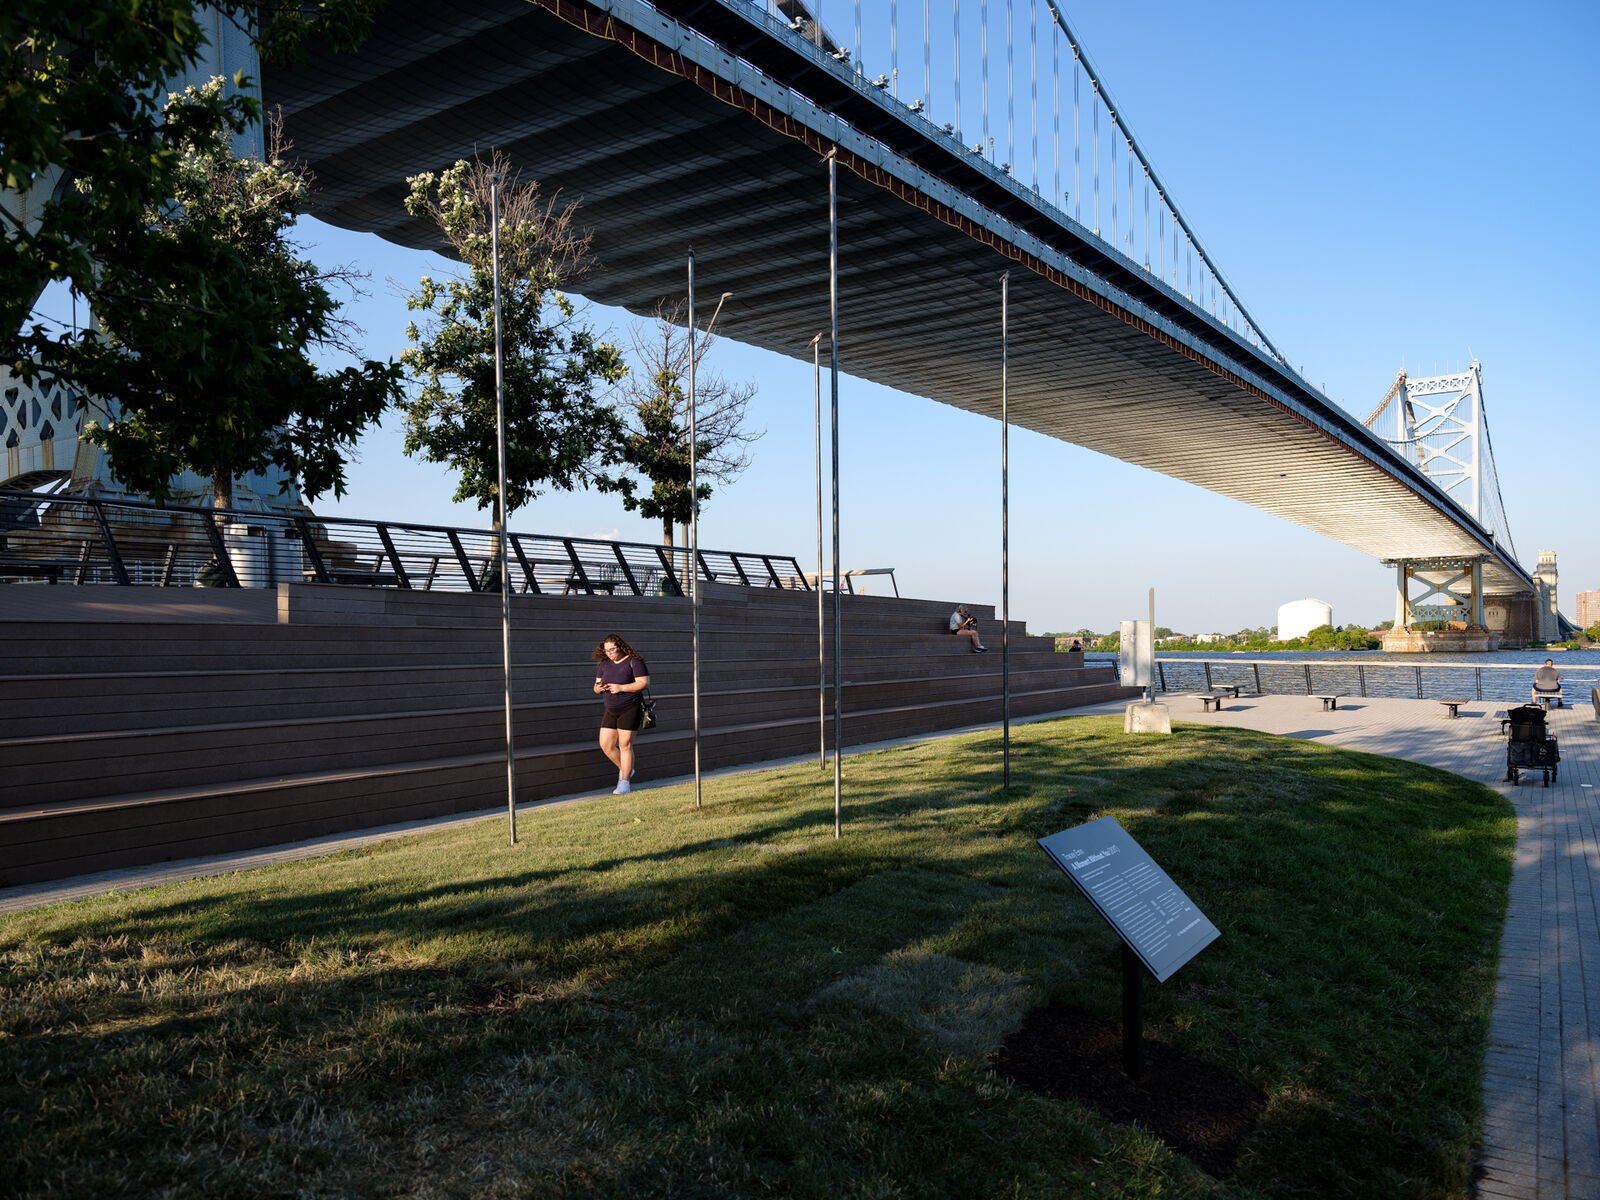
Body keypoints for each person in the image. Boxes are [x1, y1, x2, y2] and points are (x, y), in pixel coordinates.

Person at [593, 634, 650, 794]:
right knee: (606, 744)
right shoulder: (604, 664)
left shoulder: (634, 661)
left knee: (625, 745)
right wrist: (599, 688)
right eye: (607, 651)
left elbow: (644, 683)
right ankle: (627, 769)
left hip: (630, 708)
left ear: (620, 646)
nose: (610, 653)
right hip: (611, 709)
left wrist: (621, 688)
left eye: (613, 649)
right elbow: (595, 686)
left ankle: (624, 782)